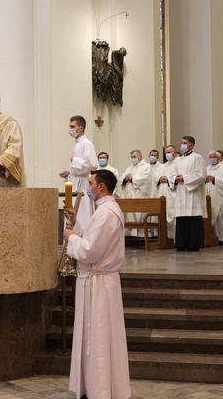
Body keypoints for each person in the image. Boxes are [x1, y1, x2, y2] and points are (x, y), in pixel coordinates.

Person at [62, 170, 131, 399]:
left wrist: (71, 237)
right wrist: (76, 225)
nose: (88, 187)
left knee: (99, 339)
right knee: (96, 337)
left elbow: (90, 251)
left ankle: (101, 389)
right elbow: (93, 239)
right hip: (96, 281)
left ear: (101, 186)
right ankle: (94, 387)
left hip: (99, 284)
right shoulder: (104, 210)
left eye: (91, 183)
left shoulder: (106, 213)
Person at [59, 115, 99, 228]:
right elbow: (79, 166)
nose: (70, 129)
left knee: (82, 214)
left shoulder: (87, 143)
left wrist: (75, 160)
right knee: (72, 214)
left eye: (73, 126)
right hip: (74, 183)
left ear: (81, 128)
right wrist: (69, 171)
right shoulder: (77, 144)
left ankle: (82, 240)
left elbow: (93, 164)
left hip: (82, 184)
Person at [173, 136, 206, 251]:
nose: (182, 145)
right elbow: (173, 174)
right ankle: (181, 244)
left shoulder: (197, 158)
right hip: (181, 192)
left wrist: (185, 178)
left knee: (193, 217)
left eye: (184, 143)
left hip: (193, 193)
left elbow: (201, 175)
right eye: (181, 142)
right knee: (182, 218)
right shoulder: (178, 160)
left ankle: (193, 244)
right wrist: (175, 179)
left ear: (191, 145)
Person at [116, 150, 152, 235]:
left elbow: (145, 180)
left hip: (139, 196)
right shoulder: (130, 167)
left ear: (140, 156)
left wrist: (132, 178)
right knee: (128, 215)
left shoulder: (146, 167)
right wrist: (125, 178)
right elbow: (121, 177)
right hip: (129, 196)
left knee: (139, 216)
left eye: (134, 157)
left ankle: (141, 236)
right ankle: (129, 235)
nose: (133, 159)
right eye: (131, 157)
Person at [205, 151, 223, 245]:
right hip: (208, 193)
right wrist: (205, 179)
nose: (212, 159)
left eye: (214, 157)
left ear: (218, 158)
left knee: (219, 215)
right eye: (210, 157)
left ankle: (222, 238)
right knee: (210, 213)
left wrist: (214, 179)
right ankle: (211, 236)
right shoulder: (207, 168)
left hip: (220, 195)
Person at [154, 145, 180, 238]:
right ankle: (164, 238)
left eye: (169, 152)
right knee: (163, 214)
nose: (167, 154)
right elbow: (156, 176)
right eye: (166, 153)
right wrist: (160, 178)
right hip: (162, 192)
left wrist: (168, 179)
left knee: (173, 214)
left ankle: (173, 239)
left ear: (175, 153)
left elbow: (179, 176)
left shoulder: (179, 164)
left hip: (173, 192)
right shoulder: (163, 166)